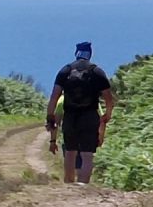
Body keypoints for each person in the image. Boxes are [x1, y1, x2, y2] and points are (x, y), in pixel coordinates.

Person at [47, 41, 115, 183]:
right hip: (90, 116)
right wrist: (107, 114)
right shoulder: (97, 71)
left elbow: (54, 96)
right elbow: (109, 98)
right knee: (87, 155)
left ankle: (69, 184)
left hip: (70, 117)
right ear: (90, 54)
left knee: (70, 153)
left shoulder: (65, 70)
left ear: (76, 53)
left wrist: (50, 116)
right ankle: (83, 186)